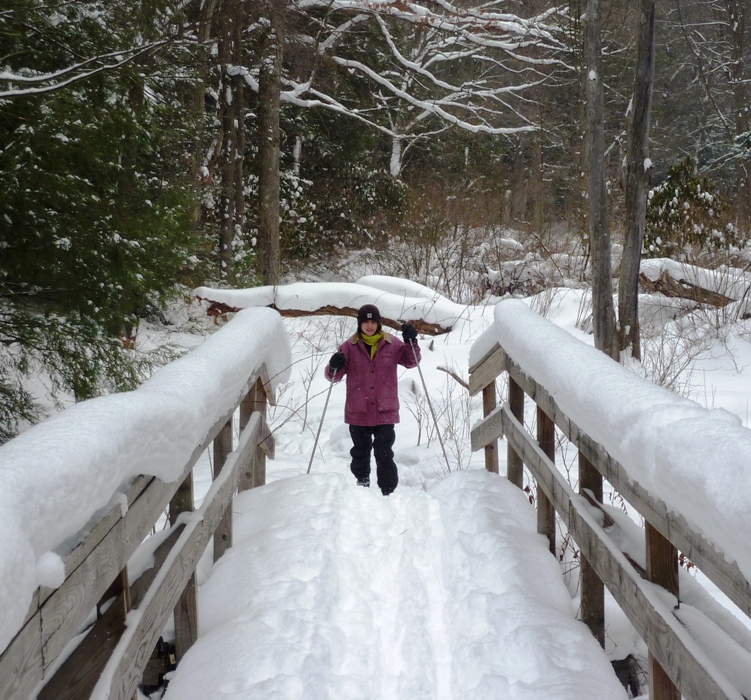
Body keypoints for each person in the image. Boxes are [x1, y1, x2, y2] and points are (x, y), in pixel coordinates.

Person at [324, 304, 421, 495]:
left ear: (378, 323)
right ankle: (361, 484)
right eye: (365, 322)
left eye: (373, 322)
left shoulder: (392, 344)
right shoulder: (348, 347)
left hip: (385, 409)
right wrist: (333, 365)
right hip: (358, 409)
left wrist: (411, 341)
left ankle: (388, 489)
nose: (369, 326)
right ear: (359, 324)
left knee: (384, 452)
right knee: (360, 451)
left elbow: (412, 361)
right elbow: (333, 377)